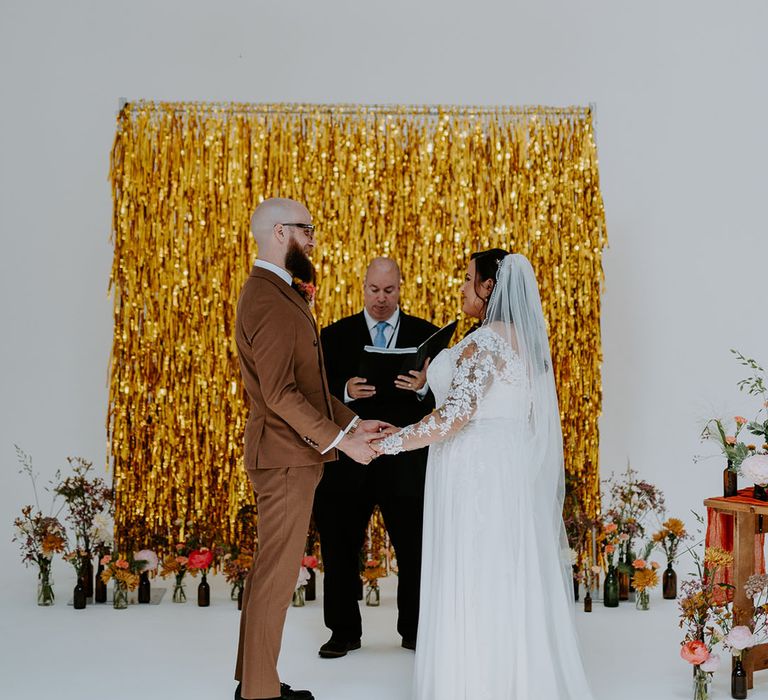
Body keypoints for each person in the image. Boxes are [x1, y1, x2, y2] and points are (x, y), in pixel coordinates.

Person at [375, 250, 595, 700]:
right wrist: (427, 386)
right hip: (505, 466)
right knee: (502, 570)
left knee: (474, 570)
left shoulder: (487, 341)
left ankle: (472, 682)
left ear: (489, 288)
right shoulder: (523, 341)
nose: (461, 286)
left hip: (474, 469)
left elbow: (454, 417)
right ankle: (511, 676)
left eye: (468, 278)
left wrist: (387, 443)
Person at [233, 198, 390, 700]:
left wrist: (355, 424)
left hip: (290, 455)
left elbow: (312, 387)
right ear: (280, 232)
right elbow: (280, 394)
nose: (314, 239)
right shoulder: (268, 297)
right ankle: (260, 693)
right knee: (277, 579)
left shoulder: (282, 293)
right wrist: (342, 441)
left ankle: (254, 682)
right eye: (307, 229)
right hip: (283, 458)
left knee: (270, 574)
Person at [314, 257, 438, 657]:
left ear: (401, 288)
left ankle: (415, 630)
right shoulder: (333, 336)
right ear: (362, 287)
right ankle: (343, 632)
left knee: (415, 546)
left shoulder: (428, 336)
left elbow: (451, 400)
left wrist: (422, 388)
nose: (381, 299)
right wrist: (346, 390)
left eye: (389, 290)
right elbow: (313, 393)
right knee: (339, 544)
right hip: (350, 460)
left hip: (406, 460)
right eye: (374, 290)